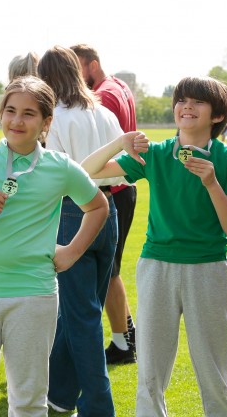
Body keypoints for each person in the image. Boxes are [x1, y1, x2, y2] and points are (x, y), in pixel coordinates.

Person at [82, 76, 227, 417]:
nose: (186, 106)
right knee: (150, 373)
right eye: (182, 100)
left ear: (218, 115)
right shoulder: (155, 154)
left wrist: (211, 182)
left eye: (198, 101)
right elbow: (86, 173)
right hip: (157, 267)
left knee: (214, 370)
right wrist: (120, 142)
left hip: (209, 269)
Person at [0, 76, 110, 416]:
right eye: (10, 111)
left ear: (46, 123)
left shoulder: (59, 167)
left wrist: (71, 251)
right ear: (0, 114)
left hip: (34, 295)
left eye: (29, 114)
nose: (17, 121)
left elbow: (98, 207)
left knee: (29, 401)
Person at [38, 45, 124, 416]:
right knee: (77, 313)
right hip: (110, 210)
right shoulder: (104, 112)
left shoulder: (53, 117)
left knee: (81, 316)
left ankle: (98, 407)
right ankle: (59, 394)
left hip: (73, 212)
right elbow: (123, 169)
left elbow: (55, 176)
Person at [71, 43, 140, 365]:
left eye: (78, 67)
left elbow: (99, 154)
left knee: (108, 271)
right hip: (117, 186)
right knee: (111, 269)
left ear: (92, 65)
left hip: (110, 186)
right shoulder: (119, 86)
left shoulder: (103, 95)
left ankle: (123, 340)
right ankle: (126, 336)